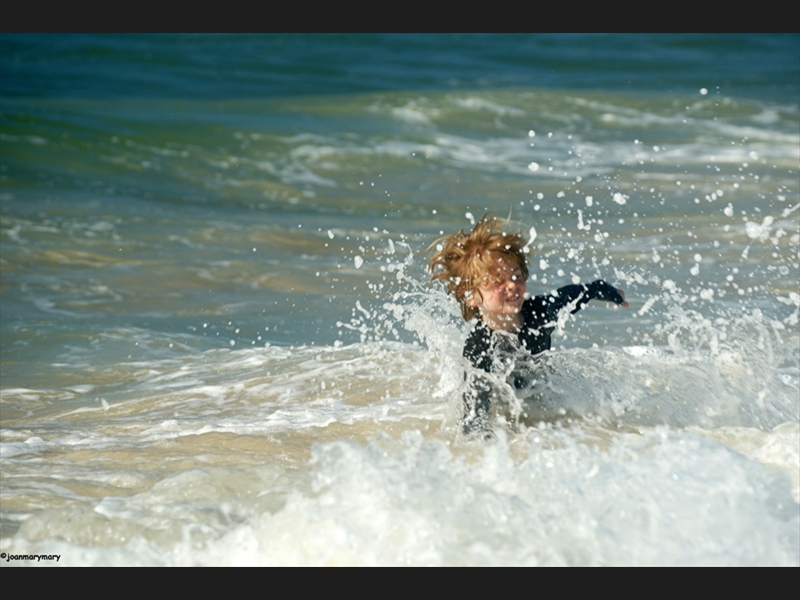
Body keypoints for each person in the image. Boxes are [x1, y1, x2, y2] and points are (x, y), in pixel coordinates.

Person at [428, 214, 628, 433]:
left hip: (542, 393)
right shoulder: (479, 350)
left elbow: (575, 294)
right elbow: (474, 417)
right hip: (507, 410)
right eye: (497, 281)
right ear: (471, 296)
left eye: (516, 276)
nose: (512, 285)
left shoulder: (540, 313)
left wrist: (610, 292)